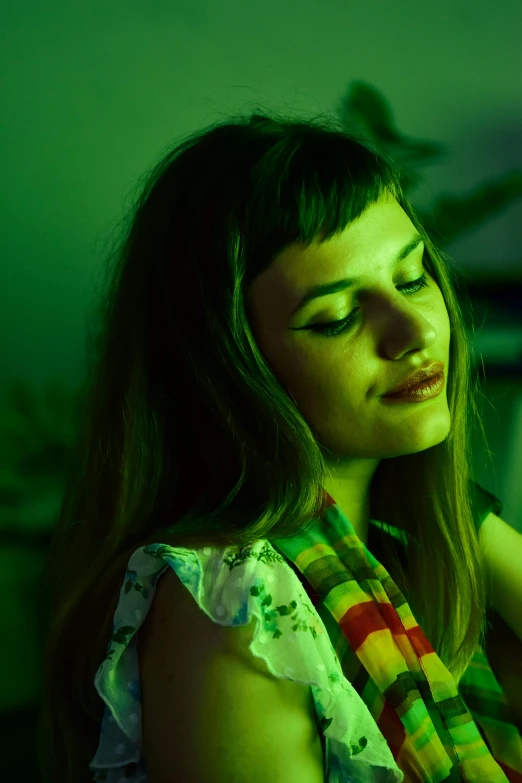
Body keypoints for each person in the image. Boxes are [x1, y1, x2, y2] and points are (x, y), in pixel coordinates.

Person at [35, 110, 522, 782]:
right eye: (337, 317)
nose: (413, 330)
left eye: (413, 278)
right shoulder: (231, 602)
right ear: (233, 371)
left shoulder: (412, 537)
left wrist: (456, 509)